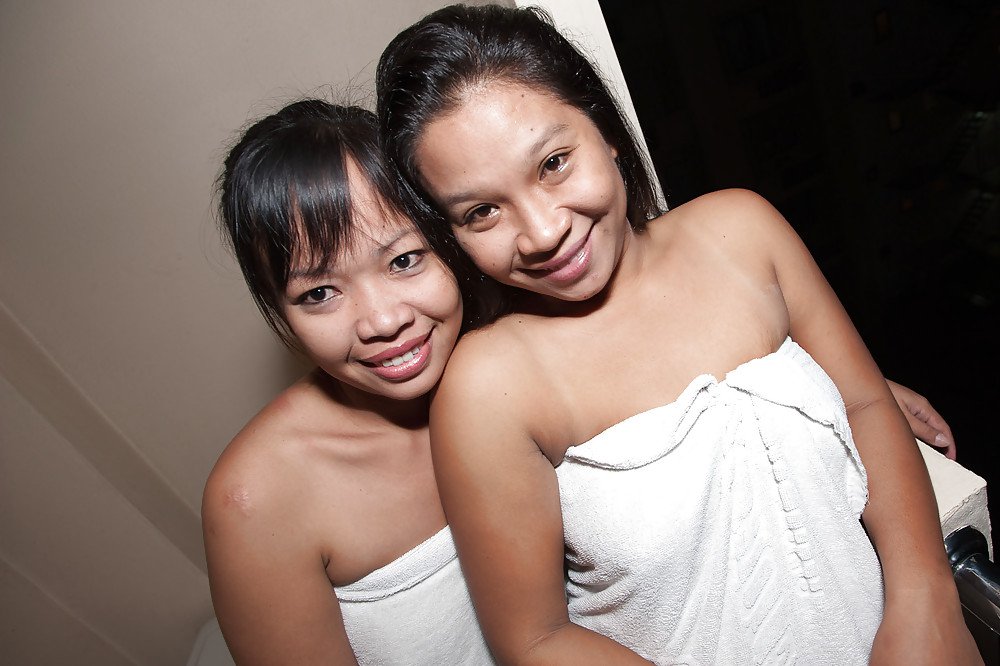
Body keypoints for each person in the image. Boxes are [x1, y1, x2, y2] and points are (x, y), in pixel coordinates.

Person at [376, 4, 980, 664]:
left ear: (605, 130)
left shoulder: (742, 230)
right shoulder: (487, 387)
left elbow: (864, 405)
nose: (543, 231)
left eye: (553, 163)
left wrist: (926, 600)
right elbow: (534, 637)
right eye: (482, 211)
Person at [201, 100, 497, 665]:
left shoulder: (518, 355)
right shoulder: (258, 501)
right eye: (319, 293)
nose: (382, 320)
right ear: (279, 312)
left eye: (404, 260)